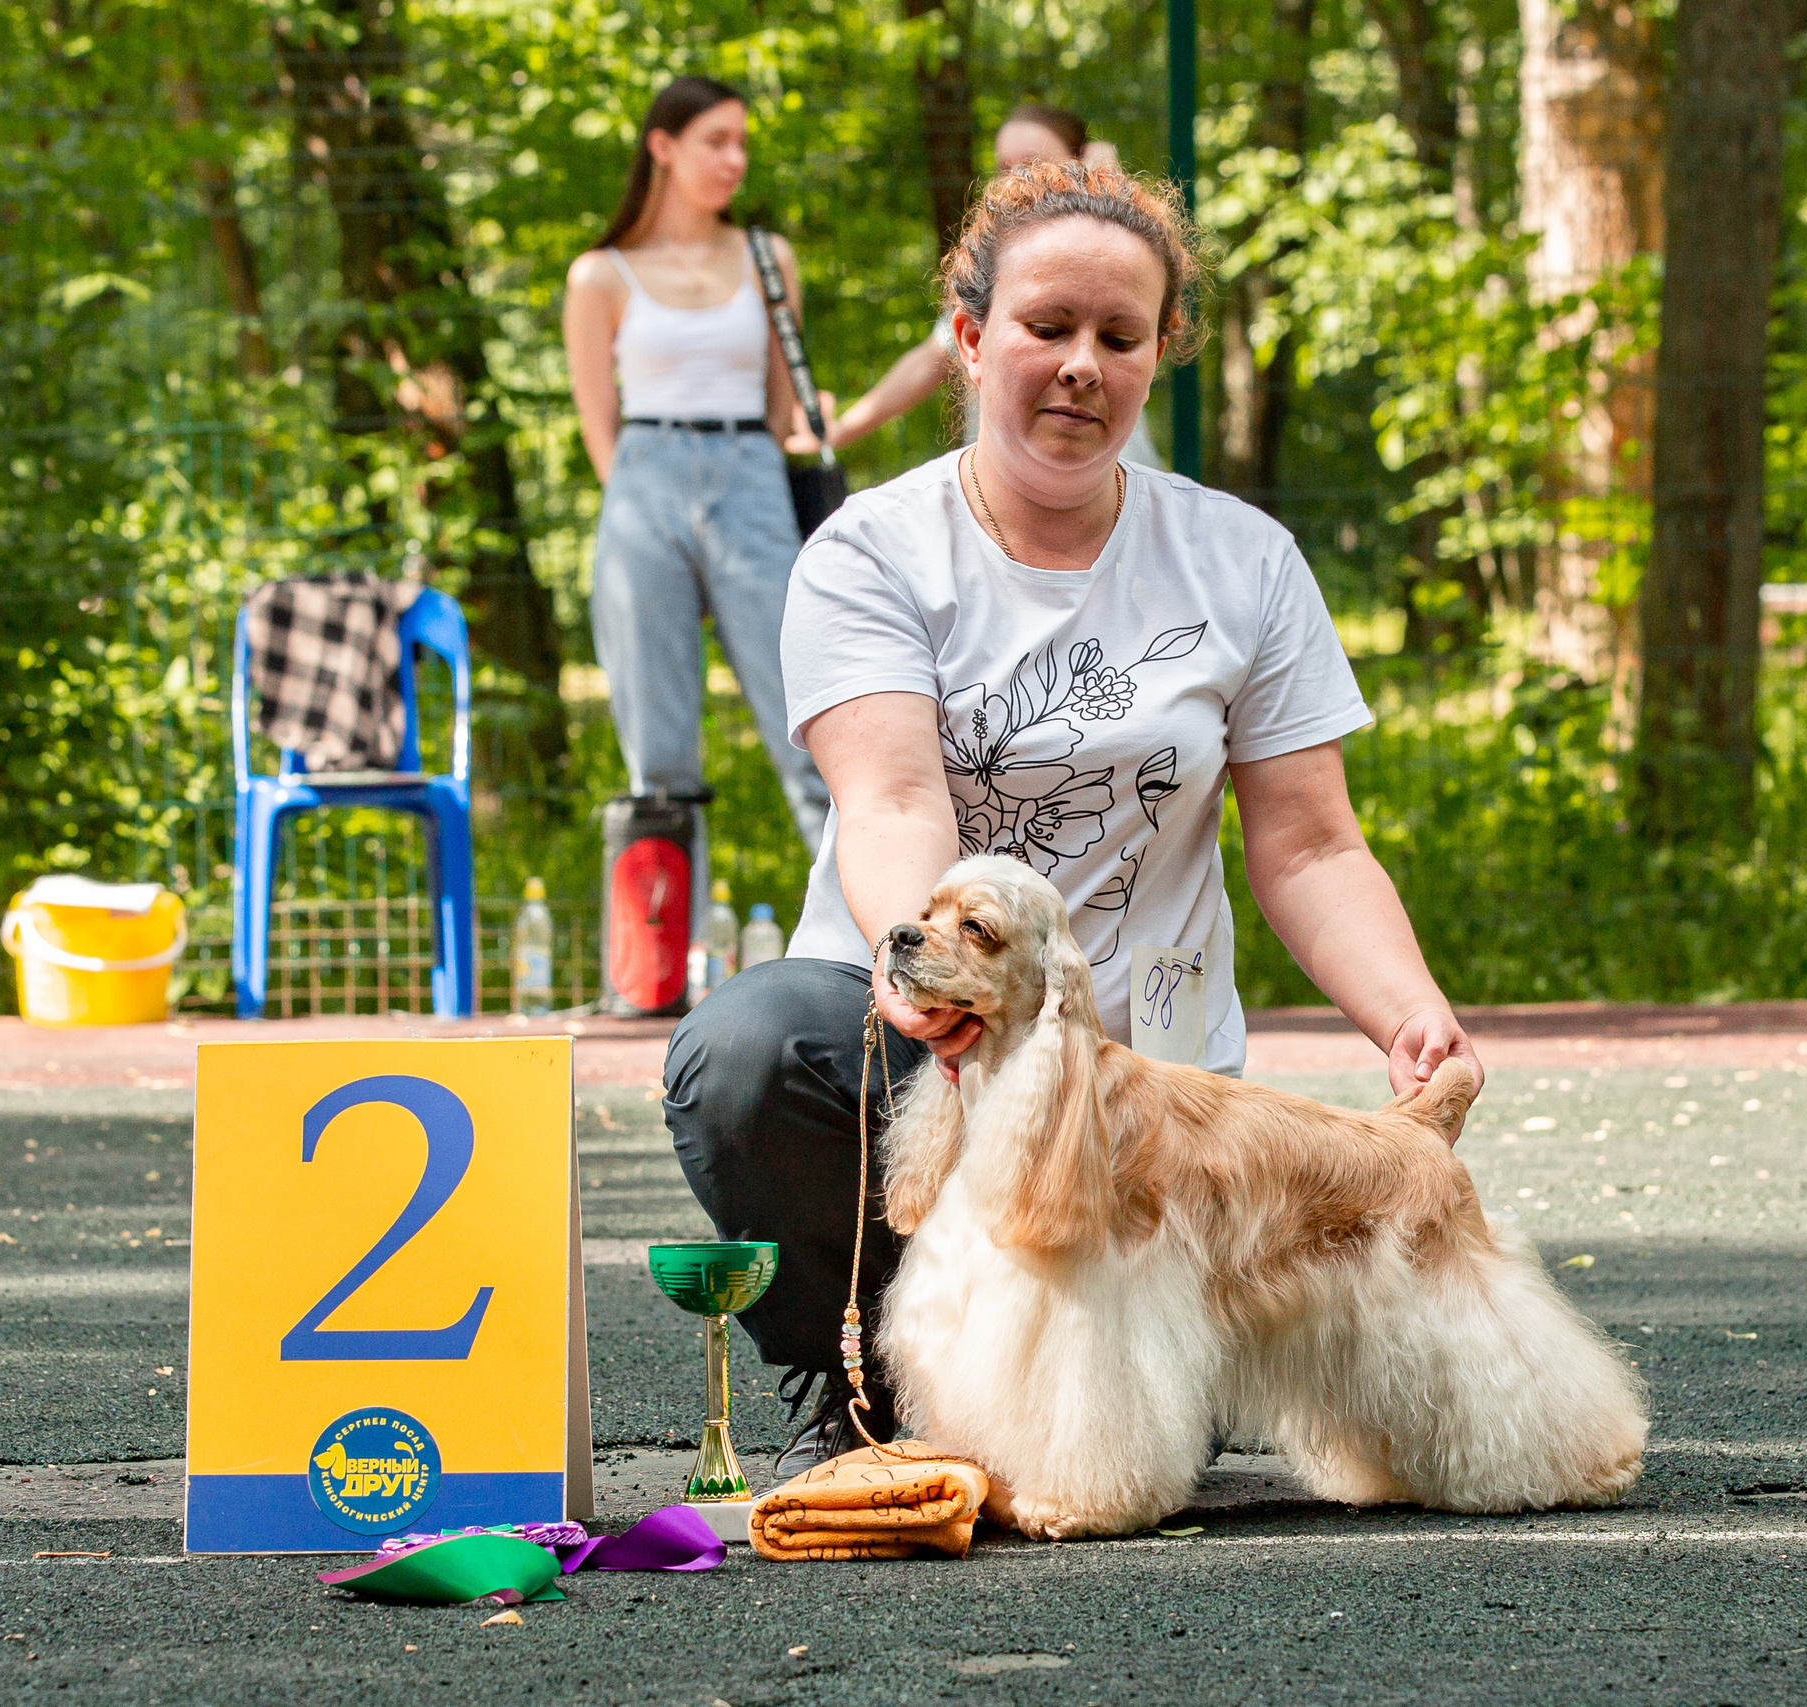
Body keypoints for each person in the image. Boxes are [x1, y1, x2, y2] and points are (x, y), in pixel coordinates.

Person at [663, 158, 1484, 1470]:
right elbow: (889, 798)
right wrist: (937, 982)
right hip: (913, 1020)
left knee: (1173, 1332)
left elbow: (1311, 840)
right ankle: (870, 1380)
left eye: (1120, 335)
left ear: (1161, 353)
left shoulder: (1245, 559)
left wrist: (1408, 1012)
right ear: (973, 337)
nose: (1080, 366)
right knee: (746, 1054)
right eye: (1047, 328)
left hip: (1148, 1075)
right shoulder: (871, 551)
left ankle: (1159, 1368)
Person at [562, 76, 831, 847]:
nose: (735, 158)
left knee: (808, 721)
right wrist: (644, 501)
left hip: (751, 473)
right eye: (717, 140)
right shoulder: (599, 274)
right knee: (658, 754)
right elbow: (598, 426)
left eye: (742, 142)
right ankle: (658, 962)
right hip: (643, 481)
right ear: (663, 147)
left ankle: (860, 940)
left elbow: (783, 409)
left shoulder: (768, 258)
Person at [824, 103, 1162, 468]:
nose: (1014, 181)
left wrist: (1106, 182)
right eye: (1004, 168)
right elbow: (932, 359)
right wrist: (839, 430)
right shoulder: (996, 268)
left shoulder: (1124, 260)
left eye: (1033, 165)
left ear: (1080, 167)